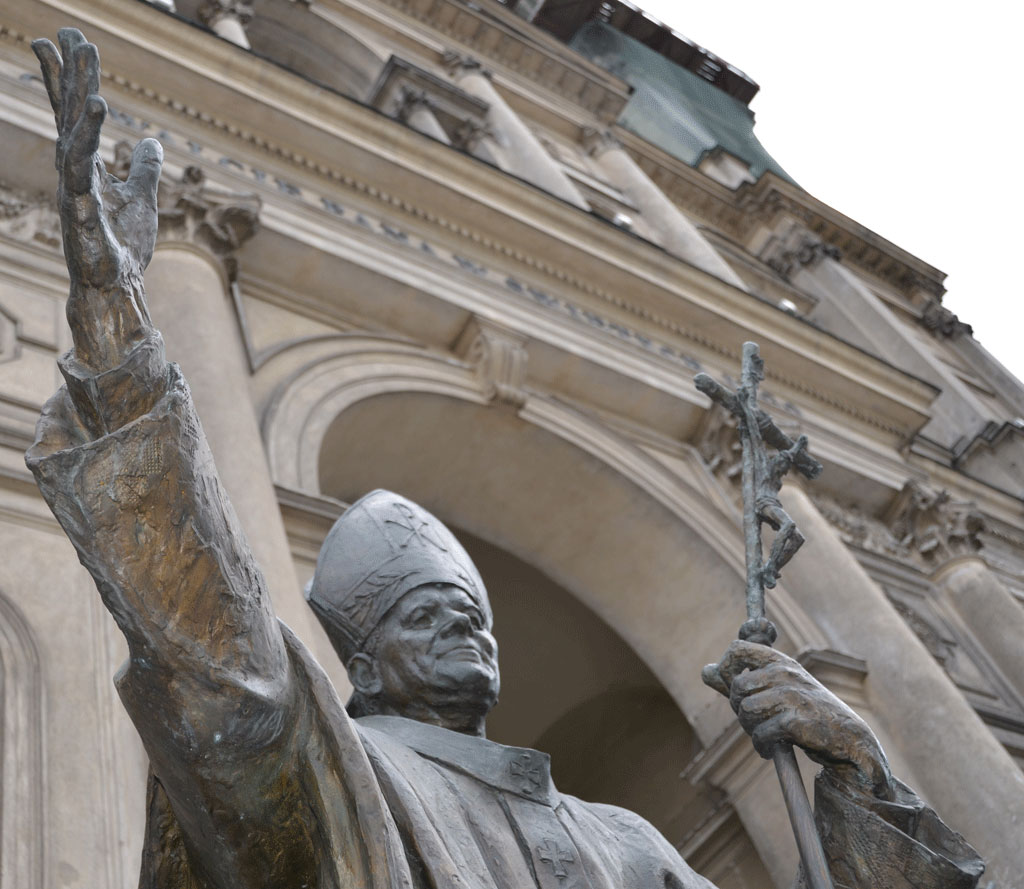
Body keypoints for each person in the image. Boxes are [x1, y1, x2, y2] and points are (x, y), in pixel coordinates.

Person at [27, 29, 984, 889]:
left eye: (471, 615)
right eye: (431, 616)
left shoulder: (632, 845)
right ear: (361, 663)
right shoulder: (340, 774)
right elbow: (212, 648)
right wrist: (120, 342)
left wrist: (862, 773)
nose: (469, 631)